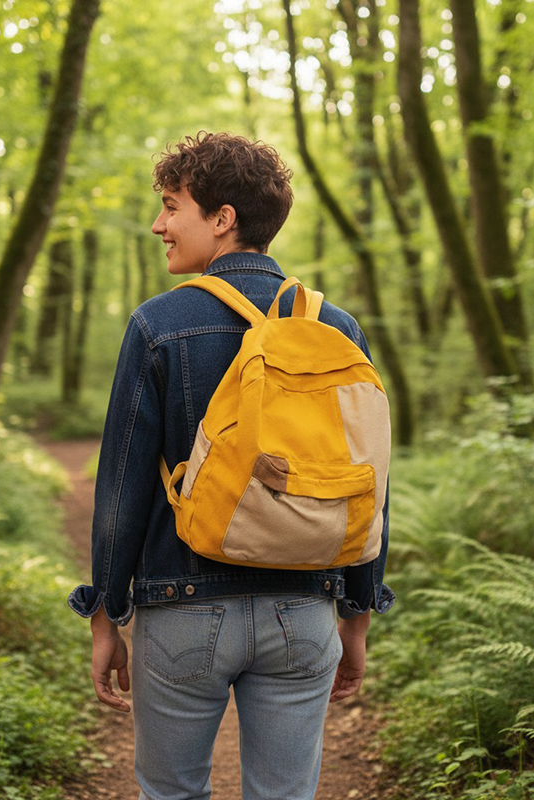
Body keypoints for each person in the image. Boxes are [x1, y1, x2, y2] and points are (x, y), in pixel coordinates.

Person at [68, 131, 395, 800]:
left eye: (170, 206)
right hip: (303, 613)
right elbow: (368, 483)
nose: (159, 224)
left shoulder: (157, 324)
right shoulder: (337, 329)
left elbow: (122, 486)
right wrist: (357, 613)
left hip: (182, 608)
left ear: (222, 220)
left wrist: (107, 613)